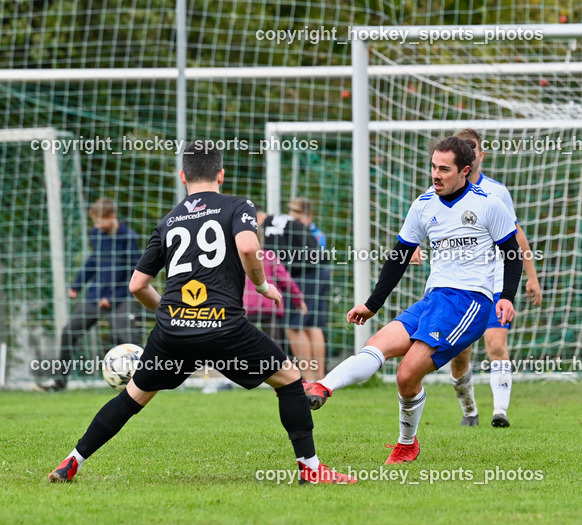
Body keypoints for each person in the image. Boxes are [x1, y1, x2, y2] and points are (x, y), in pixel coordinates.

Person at [48, 141, 354, 485]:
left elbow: (137, 285)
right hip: (225, 328)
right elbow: (250, 246)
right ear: (221, 175)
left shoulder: (168, 221)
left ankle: (71, 461)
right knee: (290, 381)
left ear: (183, 177)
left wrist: (168, 312)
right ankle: (311, 469)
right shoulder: (239, 206)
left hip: (172, 333)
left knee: (132, 396)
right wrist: (264, 285)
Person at [303, 136, 522, 464]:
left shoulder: (488, 203)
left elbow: (512, 253)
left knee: (407, 374)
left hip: (470, 302)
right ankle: (322, 387)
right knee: (377, 345)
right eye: (433, 166)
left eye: (444, 169)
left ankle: (407, 443)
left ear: (465, 171)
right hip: (434, 298)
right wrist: (371, 304)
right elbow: (398, 257)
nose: (436, 174)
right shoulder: (423, 205)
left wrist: (506, 297)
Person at [432, 129, 541, 428]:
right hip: (460, 286)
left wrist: (531, 277)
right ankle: (469, 410)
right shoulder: (438, 192)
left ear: (480, 155)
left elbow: (516, 237)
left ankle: (500, 412)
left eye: (473, 147)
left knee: (496, 343)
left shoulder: (496, 192)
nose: (469, 150)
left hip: (495, 282)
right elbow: (422, 226)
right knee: (460, 353)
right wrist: (413, 248)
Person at [40, 197, 142, 391]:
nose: (96, 225)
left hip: (120, 298)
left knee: (130, 341)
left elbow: (135, 274)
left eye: (99, 221)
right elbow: (94, 261)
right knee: (68, 332)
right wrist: (77, 284)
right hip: (95, 296)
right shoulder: (96, 234)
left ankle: (145, 383)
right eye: (94, 222)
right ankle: (58, 382)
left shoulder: (128, 238)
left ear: (111, 216)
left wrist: (112, 298)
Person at [284, 198, 330, 381]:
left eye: (295, 212)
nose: (291, 216)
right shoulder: (317, 234)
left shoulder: (310, 235)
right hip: (318, 277)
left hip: (305, 278)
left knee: (295, 326)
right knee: (313, 325)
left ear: (308, 216)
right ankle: (318, 379)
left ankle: (309, 378)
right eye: (289, 211)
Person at [243, 225, 306, 350]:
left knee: (244, 343)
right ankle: (277, 366)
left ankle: (244, 366)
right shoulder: (269, 256)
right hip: (269, 306)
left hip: (246, 307)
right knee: (274, 345)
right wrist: (298, 300)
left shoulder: (239, 257)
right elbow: (286, 280)